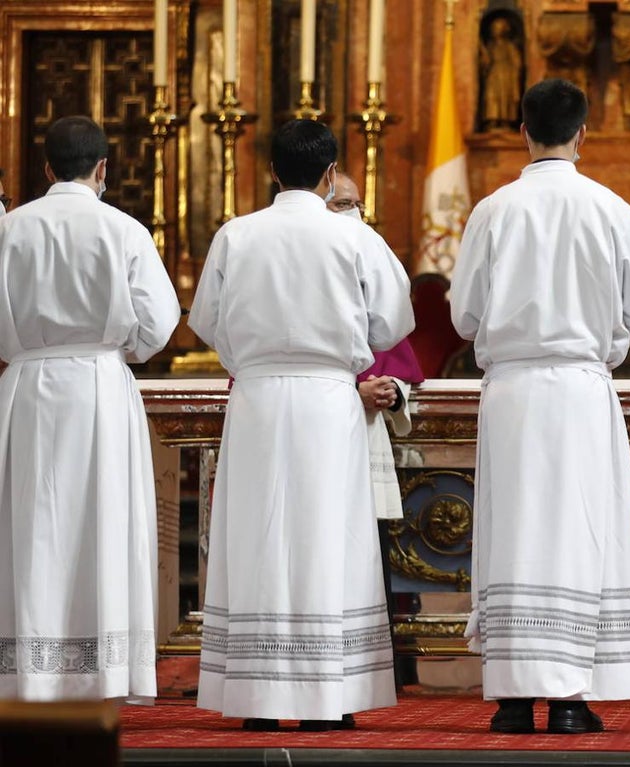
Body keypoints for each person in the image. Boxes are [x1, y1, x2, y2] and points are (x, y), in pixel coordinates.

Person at [189, 120, 414, 732]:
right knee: (327, 535)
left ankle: (259, 698)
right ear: (328, 173)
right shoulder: (352, 237)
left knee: (258, 535)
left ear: (271, 172)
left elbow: (205, 321)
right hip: (325, 399)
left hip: (258, 398)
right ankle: (326, 693)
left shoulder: (237, 235)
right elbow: (394, 322)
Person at [451, 77, 630, 735]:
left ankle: (513, 697)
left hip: (513, 392)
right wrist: (610, 340)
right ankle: (570, 697)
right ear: (583, 132)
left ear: (522, 130)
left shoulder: (493, 210)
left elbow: (462, 316)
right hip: (578, 389)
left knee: (514, 532)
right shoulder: (612, 209)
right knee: (578, 531)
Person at [0, 115, 180, 702]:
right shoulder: (124, 229)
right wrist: (119, 346)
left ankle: (28, 668)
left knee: (30, 524)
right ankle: (100, 671)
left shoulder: (12, 228)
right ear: (103, 168)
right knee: (103, 521)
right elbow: (159, 323)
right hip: (100, 386)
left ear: (47, 168)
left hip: (25, 386)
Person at [327, 169, 426, 688]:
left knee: (359, 551)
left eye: (357, 204)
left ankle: (369, 668)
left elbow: (397, 353)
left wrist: (389, 388)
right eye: (342, 203)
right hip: (319, 421)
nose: (353, 214)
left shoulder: (369, 259)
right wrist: (349, 390)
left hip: (362, 434)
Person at [480, 16, 523, 131]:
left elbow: (517, 62)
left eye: (498, 28)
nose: (495, 30)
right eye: (494, 28)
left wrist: (513, 75)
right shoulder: (490, 46)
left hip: (506, 76)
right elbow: (486, 62)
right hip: (493, 75)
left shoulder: (509, 46)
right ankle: (492, 120)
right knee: (491, 97)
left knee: (504, 98)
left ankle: (505, 121)